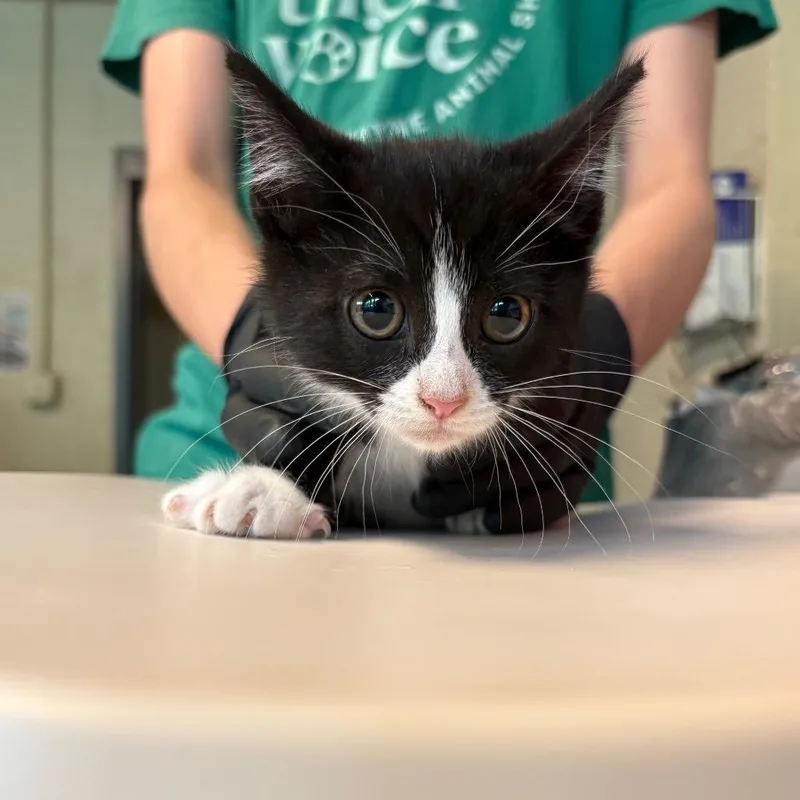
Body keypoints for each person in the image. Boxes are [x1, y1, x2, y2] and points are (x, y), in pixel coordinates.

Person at [102, 1, 777, 529]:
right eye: (379, 313)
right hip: (249, 446)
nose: (442, 395)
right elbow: (182, 178)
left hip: (520, 472)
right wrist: (251, 332)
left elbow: (672, 187)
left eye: (504, 319)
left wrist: (599, 353)